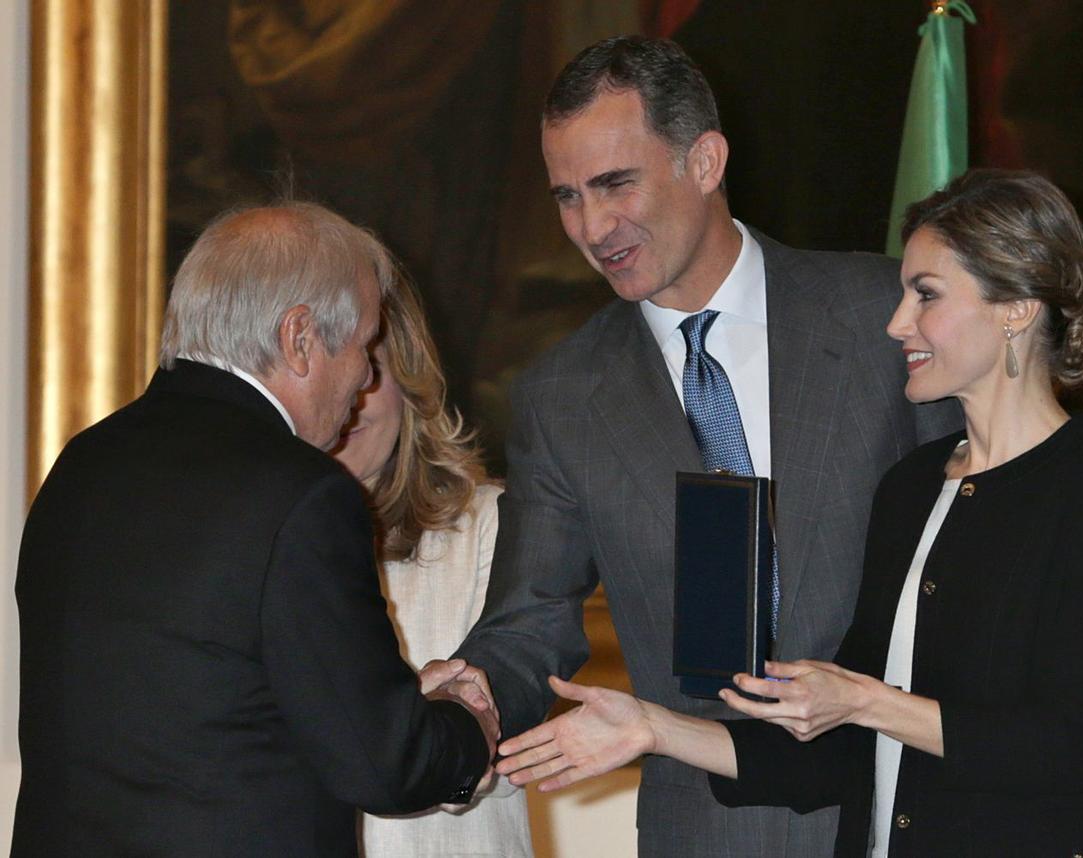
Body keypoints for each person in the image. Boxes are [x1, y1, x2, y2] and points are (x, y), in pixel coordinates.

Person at [496, 170, 1083, 857]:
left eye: (926, 296)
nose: (895, 323)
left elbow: (1061, 746)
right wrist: (652, 728)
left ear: (1016, 308)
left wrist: (863, 702)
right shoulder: (911, 486)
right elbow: (835, 754)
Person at [453, 35, 961, 857]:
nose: (591, 226)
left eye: (615, 184)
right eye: (567, 196)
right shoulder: (561, 394)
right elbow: (530, 622)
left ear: (705, 161)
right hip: (706, 830)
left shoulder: (882, 316)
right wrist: (468, 704)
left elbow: (974, 555)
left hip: (905, 812)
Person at [13, 202, 498, 857]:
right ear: (300, 338)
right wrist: (467, 725)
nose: (366, 376)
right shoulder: (303, 495)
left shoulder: (82, 463)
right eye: (362, 345)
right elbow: (384, 763)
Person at [331, 277, 532, 857]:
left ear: (411, 383)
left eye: (373, 363)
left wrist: (417, 732)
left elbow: (513, 739)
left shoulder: (492, 524)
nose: (355, 393)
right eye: (336, 359)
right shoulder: (254, 533)